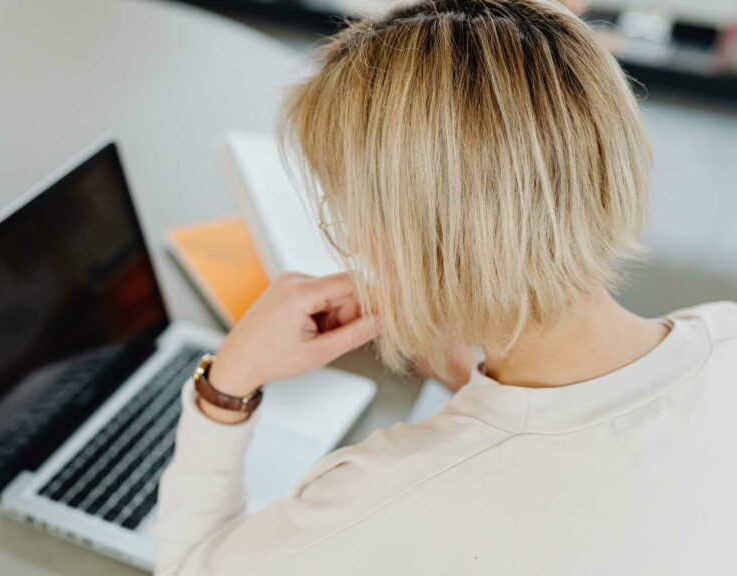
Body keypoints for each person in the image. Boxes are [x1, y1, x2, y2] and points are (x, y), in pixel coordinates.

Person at [154, 0, 737, 574]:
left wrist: (227, 385)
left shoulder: (387, 495)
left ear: (407, 233)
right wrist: (472, 382)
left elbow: (191, 565)